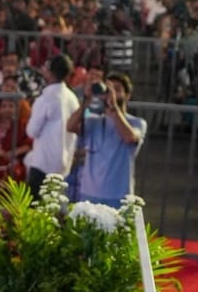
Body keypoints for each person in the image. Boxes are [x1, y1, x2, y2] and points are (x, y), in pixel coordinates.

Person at [65, 71, 147, 206]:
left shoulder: (137, 123)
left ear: (128, 96)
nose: (112, 93)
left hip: (118, 196)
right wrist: (86, 101)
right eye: (109, 89)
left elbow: (129, 138)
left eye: (117, 89)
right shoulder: (93, 121)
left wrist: (114, 108)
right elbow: (70, 126)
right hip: (89, 194)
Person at [24, 53, 79, 195]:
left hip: (43, 163)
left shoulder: (46, 98)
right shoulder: (73, 98)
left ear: (49, 72)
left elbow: (32, 130)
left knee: (34, 210)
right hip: (64, 165)